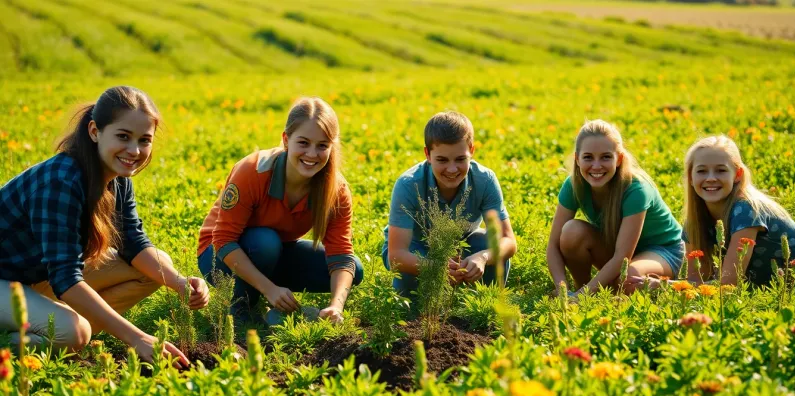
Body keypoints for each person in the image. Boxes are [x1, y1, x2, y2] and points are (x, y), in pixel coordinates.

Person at [0, 86, 208, 365]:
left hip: (31, 276)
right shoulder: (60, 181)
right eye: (123, 136)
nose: (134, 150)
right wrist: (136, 337)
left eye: (144, 140)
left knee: (158, 267)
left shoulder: (117, 176)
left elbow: (132, 242)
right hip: (6, 280)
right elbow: (65, 277)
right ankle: (46, 334)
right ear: (95, 131)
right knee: (74, 333)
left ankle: (57, 322)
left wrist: (180, 283)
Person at [198, 97, 362, 327]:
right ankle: (241, 307)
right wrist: (269, 289)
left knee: (355, 269)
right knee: (265, 241)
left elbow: (341, 253)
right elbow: (223, 239)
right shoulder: (253, 171)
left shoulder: (336, 189)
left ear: (332, 146)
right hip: (217, 255)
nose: (312, 154)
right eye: (303, 143)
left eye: (322, 145)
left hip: (274, 253)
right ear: (286, 140)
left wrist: (336, 305)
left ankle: (263, 295)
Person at [383, 111, 517, 297]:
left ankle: (484, 305)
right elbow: (397, 254)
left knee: (489, 244)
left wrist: (483, 257)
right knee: (410, 286)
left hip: (461, 244)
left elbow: (508, 241)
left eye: (461, 159)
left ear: (471, 150)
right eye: (442, 160)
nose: (452, 169)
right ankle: (416, 309)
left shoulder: (484, 180)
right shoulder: (408, 184)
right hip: (417, 247)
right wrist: (436, 268)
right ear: (428, 155)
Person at [546, 119, 684, 296]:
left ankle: (593, 293)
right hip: (619, 247)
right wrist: (562, 289)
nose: (596, 166)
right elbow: (553, 245)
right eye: (588, 157)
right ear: (577, 159)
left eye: (606, 157)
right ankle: (585, 287)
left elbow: (622, 258)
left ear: (619, 159)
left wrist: (582, 297)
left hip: (662, 250)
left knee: (628, 278)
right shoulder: (574, 185)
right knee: (571, 232)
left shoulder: (636, 189)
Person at [679, 135, 795, 286]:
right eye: (701, 171)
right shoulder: (694, 220)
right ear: (690, 177)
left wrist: (662, 285)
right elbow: (696, 280)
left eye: (721, 170)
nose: (710, 178)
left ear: (737, 175)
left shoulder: (746, 209)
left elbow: (728, 284)